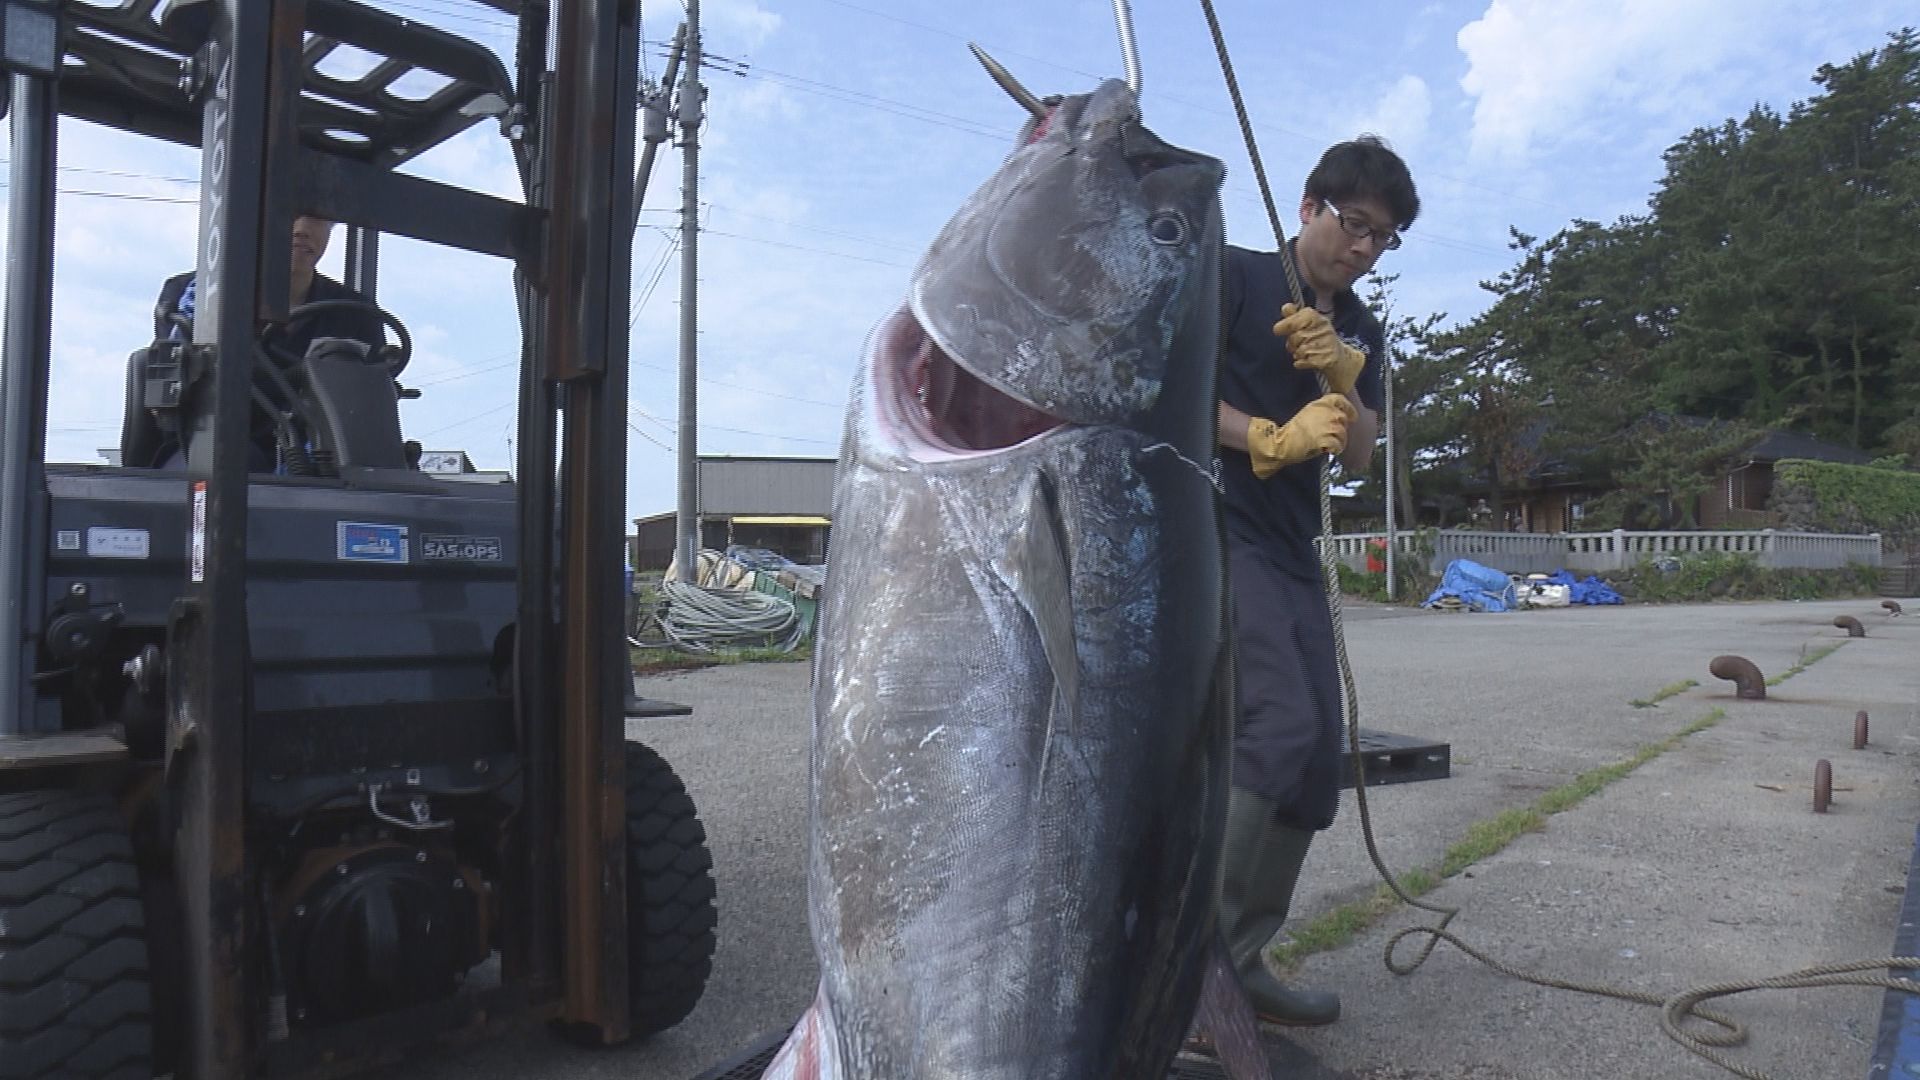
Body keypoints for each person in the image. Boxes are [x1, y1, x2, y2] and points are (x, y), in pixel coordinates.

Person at [1212, 135, 1419, 1027]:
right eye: (1356, 224)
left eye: (1385, 238)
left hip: (1294, 542)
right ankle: (1194, 966)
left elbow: (1364, 455)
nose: (1365, 247)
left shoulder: (1363, 328)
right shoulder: (1234, 278)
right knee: (1280, 724)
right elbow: (1162, 393)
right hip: (1214, 526)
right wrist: (1266, 436)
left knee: (1314, 755)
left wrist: (1346, 376)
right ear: (1309, 208)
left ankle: (1244, 962)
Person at [123, 214, 387, 468]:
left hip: (320, 456)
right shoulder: (193, 295)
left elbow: (368, 406)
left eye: (316, 218)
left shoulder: (356, 312)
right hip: (207, 445)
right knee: (227, 464)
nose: (302, 229)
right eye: (288, 213)